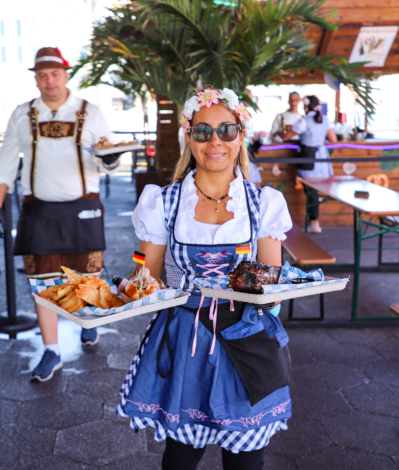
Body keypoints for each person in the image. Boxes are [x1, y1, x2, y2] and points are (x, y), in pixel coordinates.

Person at [118, 87, 293, 470]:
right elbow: (144, 268)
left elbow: (274, 280)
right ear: (189, 137)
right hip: (185, 338)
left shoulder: (263, 203)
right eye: (203, 131)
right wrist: (138, 279)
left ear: (240, 136)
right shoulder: (163, 202)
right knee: (181, 458)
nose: (215, 141)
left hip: (246, 337)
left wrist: (250, 286)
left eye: (226, 130)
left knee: (246, 460)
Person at [0, 47, 120, 382]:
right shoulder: (22, 114)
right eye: (42, 75)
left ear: (66, 74)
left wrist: (109, 160)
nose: (49, 81)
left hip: (83, 208)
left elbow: (110, 156)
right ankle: (52, 350)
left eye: (55, 74)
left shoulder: (90, 112)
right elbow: (5, 161)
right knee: (42, 284)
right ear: (35, 79)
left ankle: (88, 320)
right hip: (38, 210)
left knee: (87, 278)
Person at [297, 95, 337, 234]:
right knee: (314, 190)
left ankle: (314, 222)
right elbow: (334, 139)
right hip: (321, 157)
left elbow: (285, 137)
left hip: (308, 158)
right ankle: (314, 221)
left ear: (306, 106)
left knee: (310, 190)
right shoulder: (325, 120)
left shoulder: (303, 121)